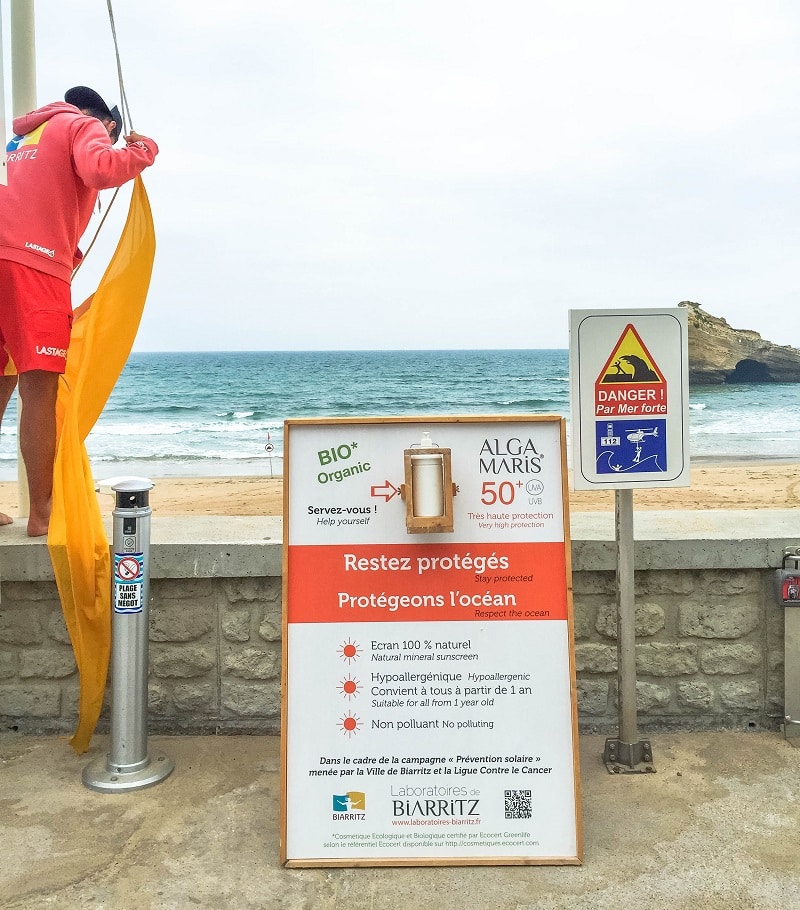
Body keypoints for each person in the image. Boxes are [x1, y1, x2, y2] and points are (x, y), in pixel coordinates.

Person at [0, 86, 158, 536]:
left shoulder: (22, 138)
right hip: (33, 265)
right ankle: (45, 511)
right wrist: (144, 151)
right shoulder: (84, 126)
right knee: (40, 387)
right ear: (108, 125)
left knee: (2, 380)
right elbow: (101, 168)